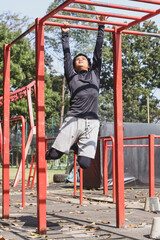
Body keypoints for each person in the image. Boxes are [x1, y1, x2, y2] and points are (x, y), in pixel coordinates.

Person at [46, 16, 107, 169]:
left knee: (84, 164)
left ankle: (75, 147)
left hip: (92, 122)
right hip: (74, 119)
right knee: (53, 156)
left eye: (83, 58)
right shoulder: (72, 76)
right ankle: (47, 152)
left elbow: (98, 51)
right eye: (77, 59)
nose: (80, 59)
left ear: (89, 63)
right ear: (74, 66)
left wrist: (101, 26)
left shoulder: (95, 74)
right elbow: (67, 57)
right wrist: (65, 34)